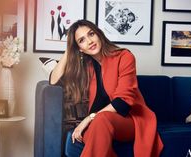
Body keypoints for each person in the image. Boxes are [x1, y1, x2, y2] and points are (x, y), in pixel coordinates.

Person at [50, 19, 163, 157]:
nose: (89, 41)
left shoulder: (124, 56)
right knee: (97, 127)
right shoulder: (87, 67)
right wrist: (69, 49)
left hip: (130, 120)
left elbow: (122, 103)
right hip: (101, 123)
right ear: (80, 48)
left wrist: (89, 118)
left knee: (101, 120)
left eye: (91, 34)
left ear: (98, 34)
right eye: (82, 40)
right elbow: (53, 81)